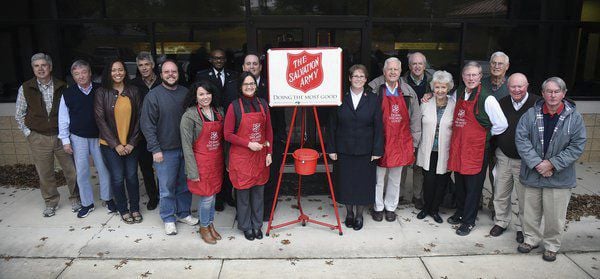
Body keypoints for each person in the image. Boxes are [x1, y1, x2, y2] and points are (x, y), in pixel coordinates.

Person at [516, 77, 586, 262]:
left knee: (555, 215)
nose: (553, 95)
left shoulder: (574, 118)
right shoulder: (531, 114)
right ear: (543, 93)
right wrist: (538, 163)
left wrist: (552, 164)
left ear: (563, 93)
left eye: (556, 91)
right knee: (530, 211)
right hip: (533, 172)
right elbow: (521, 140)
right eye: (549, 91)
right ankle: (530, 239)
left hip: (559, 176)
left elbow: (577, 146)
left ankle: (551, 245)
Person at [446, 61, 508, 236]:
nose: (471, 78)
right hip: (459, 146)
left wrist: (484, 135)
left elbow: (501, 124)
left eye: (475, 75)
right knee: (460, 183)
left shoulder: (487, 98)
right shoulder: (458, 92)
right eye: (468, 75)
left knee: (473, 186)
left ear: (480, 77)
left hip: (476, 149)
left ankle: (468, 221)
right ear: (463, 76)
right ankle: (460, 212)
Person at [15, 53, 79, 217]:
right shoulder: (26, 88)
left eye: (44, 65)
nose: (40, 69)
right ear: (33, 68)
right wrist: (29, 134)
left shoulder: (62, 86)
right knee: (45, 173)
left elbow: (71, 112)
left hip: (61, 136)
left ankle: (76, 198)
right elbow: (19, 114)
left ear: (50, 67)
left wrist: (67, 134)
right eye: (37, 66)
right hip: (38, 137)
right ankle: (50, 202)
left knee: (71, 171)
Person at [141, 60, 199, 235]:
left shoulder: (185, 93)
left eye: (174, 71)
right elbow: (147, 125)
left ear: (179, 74)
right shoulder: (153, 95)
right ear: (161, 74)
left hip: (186, 148)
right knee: (166, 187)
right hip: (164, 150)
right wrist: (155, 149)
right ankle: (168, 218)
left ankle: (183, 213)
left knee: (184, 185)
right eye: (167, 72)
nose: (171, 74)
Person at [327, 64, 383, 231]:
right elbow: (331, 125)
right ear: (349, 78)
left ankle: (359, 215)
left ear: (366, 80)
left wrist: (377, 150)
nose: (358, 79)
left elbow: (379, 126)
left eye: (361, 76)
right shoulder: (339, 98)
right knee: (346, 183)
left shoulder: (373, 99)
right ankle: (349, 213)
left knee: (362, 184)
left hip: (366, 150)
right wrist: (331, 148)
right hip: (343, 149)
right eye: (355, 76)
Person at [489, 73, 540, 243]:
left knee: (524, 197)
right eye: (513, 86)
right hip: (503, 156)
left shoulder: (537, 103)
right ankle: (501, 221)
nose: (517, 90)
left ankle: (521, 228)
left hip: (524, 160)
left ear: (527, 86)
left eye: (520, 86)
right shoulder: (502, 103)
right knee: (500, 192)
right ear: (507, 86)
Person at [58, 60, 112, 218]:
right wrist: (65, 141)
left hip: (99, 136)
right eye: (77, 74)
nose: (81, 76)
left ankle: (108, 199)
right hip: (78, 137)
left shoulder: (100, 89)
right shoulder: (68, 93)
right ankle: (87, 203)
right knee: (82, 172)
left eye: (84, 72)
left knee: (104, 169)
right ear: (73, 77)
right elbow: (63, 118)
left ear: (90, 73)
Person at [224, 71, 273, 241]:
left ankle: (257, 225)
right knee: (243, 194)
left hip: (260, 155)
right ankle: (246, 226)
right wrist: (248, 144)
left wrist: (269, 152)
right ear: (240, 87)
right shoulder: (234, 107)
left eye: (252, 83)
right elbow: (227, 134)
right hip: (241, 157)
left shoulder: (263, 104)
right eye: (246, 84)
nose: (250, 87)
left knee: (258, 193)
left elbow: (269, 131)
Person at [371, 57, 421, 223]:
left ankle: (390, 207)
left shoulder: (408, 92)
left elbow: (415, 118)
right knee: (378, 177)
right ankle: (378, 207)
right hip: (380, 140)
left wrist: (414, 143)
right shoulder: (375, 88)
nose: (392, 72)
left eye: (396, 70)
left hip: (401, 140)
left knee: (395, 178)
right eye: (389, 69)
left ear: (400, 72)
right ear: (384, 71)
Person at [95, 59, 143, 223]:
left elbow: (140, 119)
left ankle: (135, 208)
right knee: (117, 177)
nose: (117, 73)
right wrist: (116, 144)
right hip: (109, 146)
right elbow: (100, 120)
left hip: (131, 145)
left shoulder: (134, 91)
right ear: (109, 72)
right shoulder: (102, 92)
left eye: (121, 69)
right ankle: (123, 209)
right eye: (114, 70)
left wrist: (131, 142)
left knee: (131, 176)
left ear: (125, 72)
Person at [240, 53, 286, 221]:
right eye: (248, 64)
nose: (252, 66)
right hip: (245, 143)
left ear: (260, 67)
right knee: (246, 177)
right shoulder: (236, 87)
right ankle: (245, 213)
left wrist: (280, 138)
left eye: (255, 64)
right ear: (243, 67)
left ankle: (265, 211)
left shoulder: (272, 85)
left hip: (269, 141)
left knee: (269, 177)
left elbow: (279, 115)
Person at [181, 81, 225, 244]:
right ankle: (204, 226)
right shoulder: (189, 115)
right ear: (195, 96)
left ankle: (210, 223)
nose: (205, 97)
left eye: (208, 93)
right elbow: (186, 146)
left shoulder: (219, 112)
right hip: (200, 163)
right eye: (201, 94)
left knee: (213, 196)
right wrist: (192, 171)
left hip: (216, 161)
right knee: (206, 197)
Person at [415, 70, 456, 223]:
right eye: (437, 87)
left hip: (445, 151)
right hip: (428, 149)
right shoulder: (425, 103)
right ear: (433, 88)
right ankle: (426, 208)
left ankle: (435, 209)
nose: (440, 91)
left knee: (442, 182)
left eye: (443, 87)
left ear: (449, 88)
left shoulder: (454, 105)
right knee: (428, 180)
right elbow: (417, 124)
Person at [399, 52, 432, 209]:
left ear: (425, 66)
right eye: (414, 64)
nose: (417, 66)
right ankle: (399, 195)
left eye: (420, 64)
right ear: (409, 66)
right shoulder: (402, 81)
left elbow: (446, 93)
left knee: (419, 163)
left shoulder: (433, 81)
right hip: (405, 127)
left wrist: (432, 94)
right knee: (403, 162)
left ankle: (417, 196)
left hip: (425, 127)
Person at [130, 51, 160, 211]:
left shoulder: (162, 81)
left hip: (162, 131)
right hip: (141, 133)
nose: (144, 68)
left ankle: (163, 193)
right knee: (146, 167)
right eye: (140, 65)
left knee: (163, 167)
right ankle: (153, 196)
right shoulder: (133, 84)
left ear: (153, 65)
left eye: (147, 64)